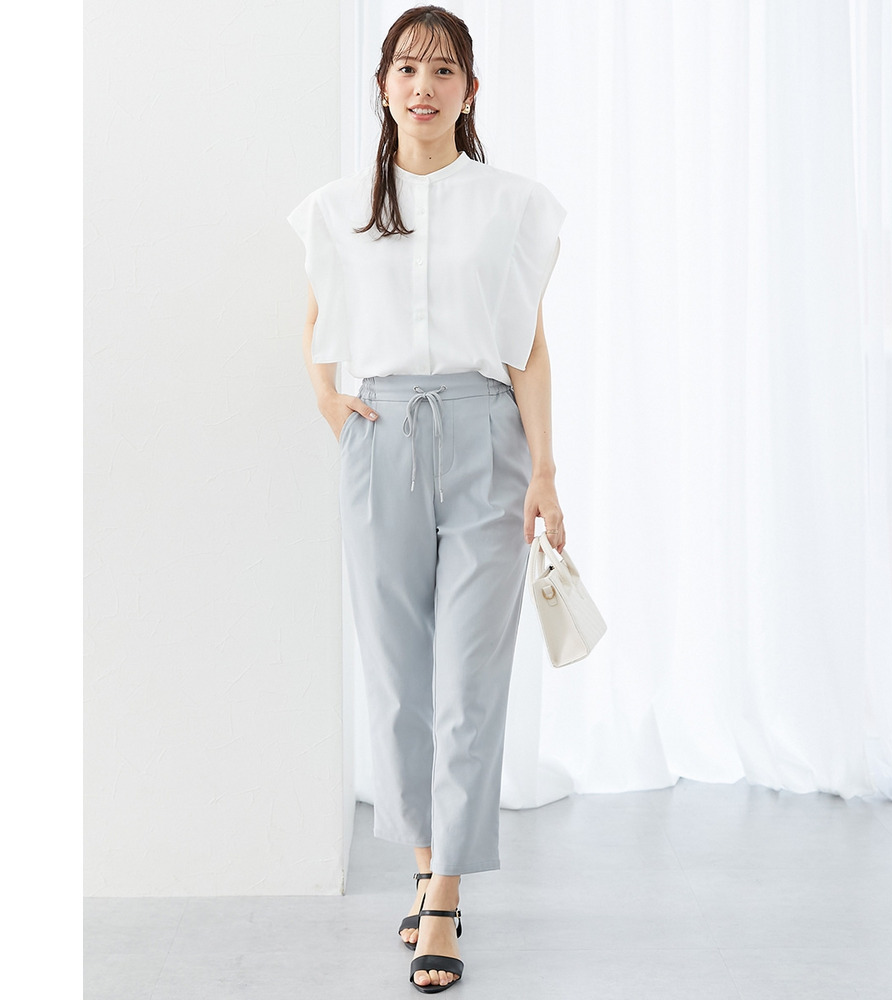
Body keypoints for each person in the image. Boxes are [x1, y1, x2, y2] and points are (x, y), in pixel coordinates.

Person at [287, 5, 567, 992]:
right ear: (382, 85)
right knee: (399, 676)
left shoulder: (513, 205)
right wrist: (334, 405)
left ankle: (443, 895)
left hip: (487, 439)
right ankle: (420, 867)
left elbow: (528, 345)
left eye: (443, 70)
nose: (423, 86)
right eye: (407, 68)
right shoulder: (336, 209)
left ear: (470, 91)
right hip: (383, 435)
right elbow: (317, 322)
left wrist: (544, 471)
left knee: (468, 679)